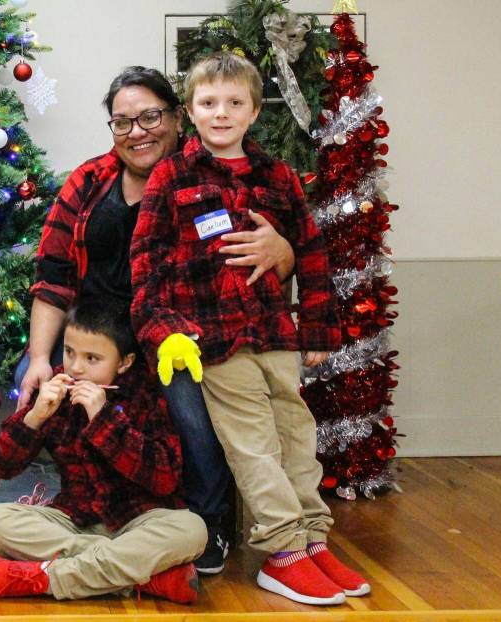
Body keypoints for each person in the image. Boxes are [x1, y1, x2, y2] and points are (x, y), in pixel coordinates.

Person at [15, 66, 296, 573]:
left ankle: (208, 521)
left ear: (177, 118)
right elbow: (52, 275)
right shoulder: (89, 181)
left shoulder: (210, 178)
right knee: (30, 382)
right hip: (93, 339)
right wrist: (40, 356)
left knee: (187, 400)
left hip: (176, 338)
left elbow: (266, 256)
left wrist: (283, 250)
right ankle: (87, 508)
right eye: (122, 122)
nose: (137, 131)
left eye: (149, 116)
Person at [130, 51, 368, 606]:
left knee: (297, 441)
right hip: (215, 343)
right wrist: (166, 329)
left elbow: (309, 251)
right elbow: (146, 264)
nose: (221, 113)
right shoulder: (171, 176)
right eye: (208, 103)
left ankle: (312, 538)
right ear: (189, 110)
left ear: (255, 112)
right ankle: (281, 552)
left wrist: (315, 331)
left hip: (276, 336)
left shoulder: (278, 176)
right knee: (255, 448)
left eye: (234, 103)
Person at [0, 298, 205, 603]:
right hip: (74, 524)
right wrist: (35, 416)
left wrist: (105, 421)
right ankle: (142, 578)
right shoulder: (54, 388)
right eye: (69, 352)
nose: (76, 367)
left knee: (193, 529)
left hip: (139, 521)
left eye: (92, 358)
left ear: (124, 362)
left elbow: (166, 478)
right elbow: (1, 466)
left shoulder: (144, 391)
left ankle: (43, 579)